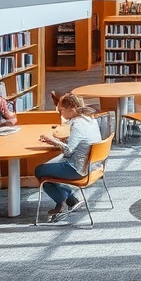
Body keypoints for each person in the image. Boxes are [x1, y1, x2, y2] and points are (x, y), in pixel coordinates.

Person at [34, 93, 102, 221]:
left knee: (40, 171)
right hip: (93, 165)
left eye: (61, 111)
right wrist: (61, 141)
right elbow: (80, 143)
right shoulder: (90, 119)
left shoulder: (77, 125)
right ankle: (71, 200)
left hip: (78, 168)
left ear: (71, 109)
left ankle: (63, 203)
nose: (60, 114)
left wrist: (54, 141)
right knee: (49, 169)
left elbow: (68, 152)